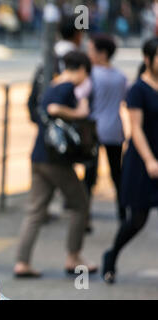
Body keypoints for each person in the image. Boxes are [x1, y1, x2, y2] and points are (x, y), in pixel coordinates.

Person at [14, 51, 98, 278]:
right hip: (56, 160)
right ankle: (74, 257)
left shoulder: (52, 85)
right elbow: (54, 110)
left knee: (35, 211)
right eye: (86, 74)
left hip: (39, 155)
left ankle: (22, 262)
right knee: (80, 204)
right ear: (80, 69)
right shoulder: (67, 87)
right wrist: (79, 111)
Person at [102, 38, 158, 284]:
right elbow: (135, 128)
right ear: (148, 59)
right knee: (136, 220)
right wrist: (149, 160)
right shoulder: (138, 89)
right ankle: (111, 256)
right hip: (143, 162)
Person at [85, 34, 128, 224]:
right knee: (116, 174)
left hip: (94, 130)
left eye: (91, 50)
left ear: (102, 54)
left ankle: (85, 217)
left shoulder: (91, 74)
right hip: (115, 130)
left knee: (89, 177)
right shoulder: (121, 77)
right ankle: (122, 213)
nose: (89, 54)